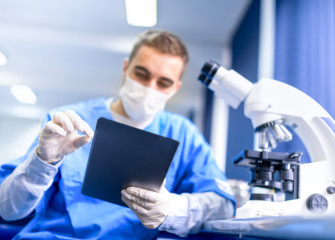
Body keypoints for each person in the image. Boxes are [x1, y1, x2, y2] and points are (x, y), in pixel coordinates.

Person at [0, 29, 235, 239]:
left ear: (175, 88)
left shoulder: (183, 134)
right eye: (141, 74)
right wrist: (42, 162)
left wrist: (172, 208)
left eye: (163, 82)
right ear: (126, 68)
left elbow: (223, 204)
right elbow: (9, 210)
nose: (149, 88)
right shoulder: (67, 122)